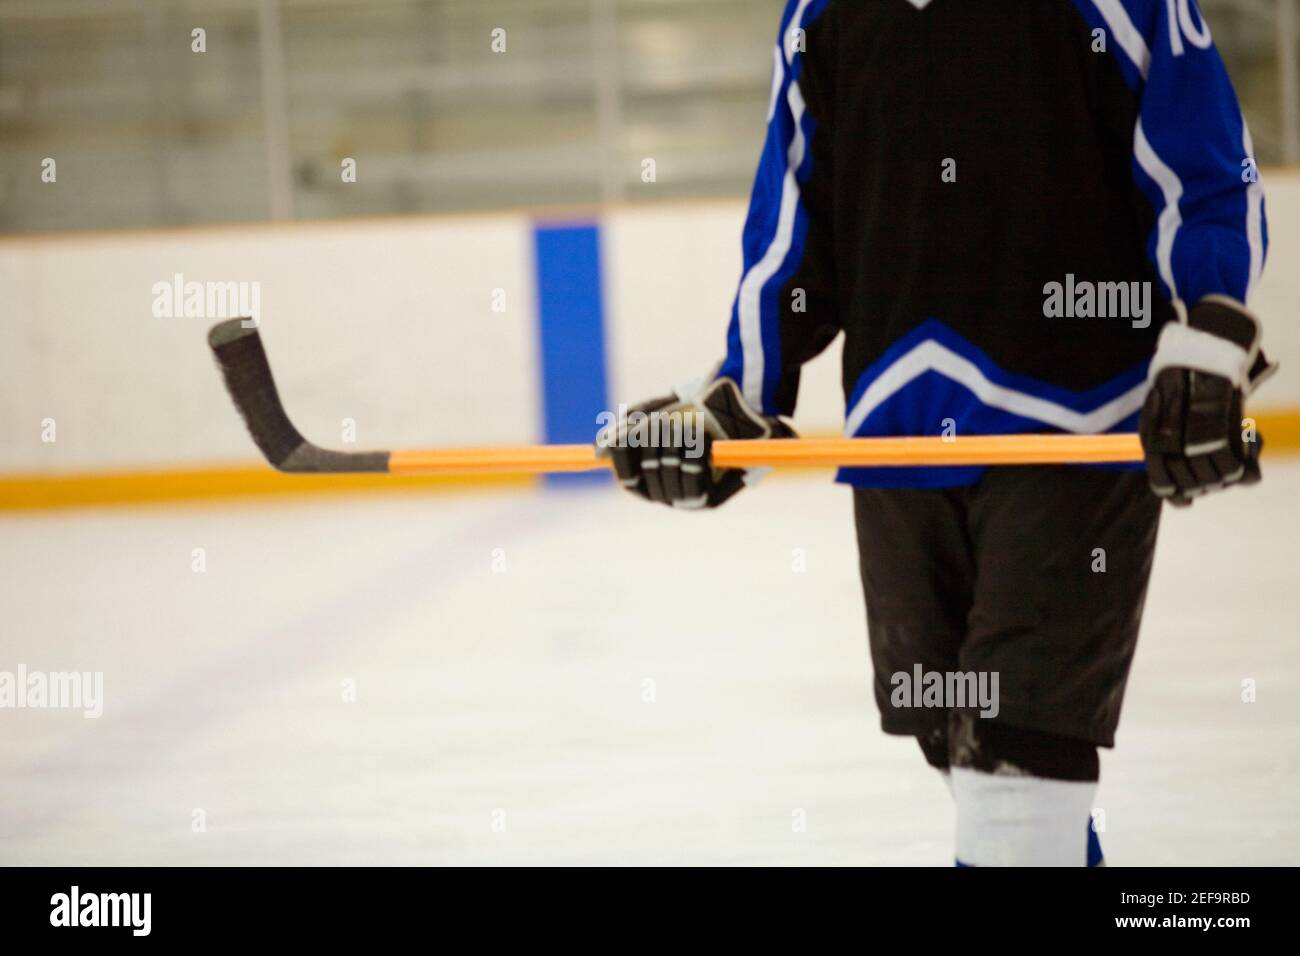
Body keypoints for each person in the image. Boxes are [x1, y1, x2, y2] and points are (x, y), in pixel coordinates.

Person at [599, 0, 1275, 866]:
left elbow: (1207, 174)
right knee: (965, 749)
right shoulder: (822, 16)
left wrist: (1209, 337)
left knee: (1014, 760)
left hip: (1070, 429)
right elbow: (796, 227)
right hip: (898, 444)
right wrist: (740, 401)